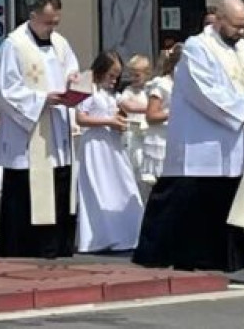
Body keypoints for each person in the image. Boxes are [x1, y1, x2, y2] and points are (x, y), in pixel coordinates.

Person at [133, 0, 244, 285]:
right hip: (203, 143)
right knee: (190, 204)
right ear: (219, 19)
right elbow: (205, 91)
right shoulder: (197, 48)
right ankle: (175, 259)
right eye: (236, 26)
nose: (241, 32)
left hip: (242, 140)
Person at [0, 0, 81, 258]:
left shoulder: (60, 43)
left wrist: (74, 82)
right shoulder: (14, 45)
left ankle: (57, 245)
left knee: (59, 182)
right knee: (27, 188)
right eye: (47, 22)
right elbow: (6, 89)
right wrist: (42, 99)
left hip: (57, 126)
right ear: (33, 16)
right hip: (29, 132)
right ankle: (25, 248)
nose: (52, 27)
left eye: (56, 22)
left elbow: (70, 69)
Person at [76, 50, 144, 252]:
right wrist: (108, 121)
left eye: (117, 77)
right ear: (101, 71)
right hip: (95, 145)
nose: (114, 81)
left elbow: (131, 105)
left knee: (123, 184)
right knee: (99, 188)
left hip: (112, 144)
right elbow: (81, 118)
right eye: (111, 75)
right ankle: (102, 235)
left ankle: (128, 233)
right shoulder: (89, 88)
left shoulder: (110, 94)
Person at [141, 44, 182, 186]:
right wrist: (174, 113)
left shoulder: (183, 85)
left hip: (176, 140)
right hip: (160, 141)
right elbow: (151, 115)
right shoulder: (162, 84)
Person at [118, 54, 151, 198]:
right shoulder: (128, 91)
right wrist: (151, 109)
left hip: (148, 135)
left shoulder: (150, 90)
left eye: (137, 75)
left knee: (147, 170)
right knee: (135, 165)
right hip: (133, 135)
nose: (133, 78)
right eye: (131, 75)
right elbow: (127, 106)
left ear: (147, 74)